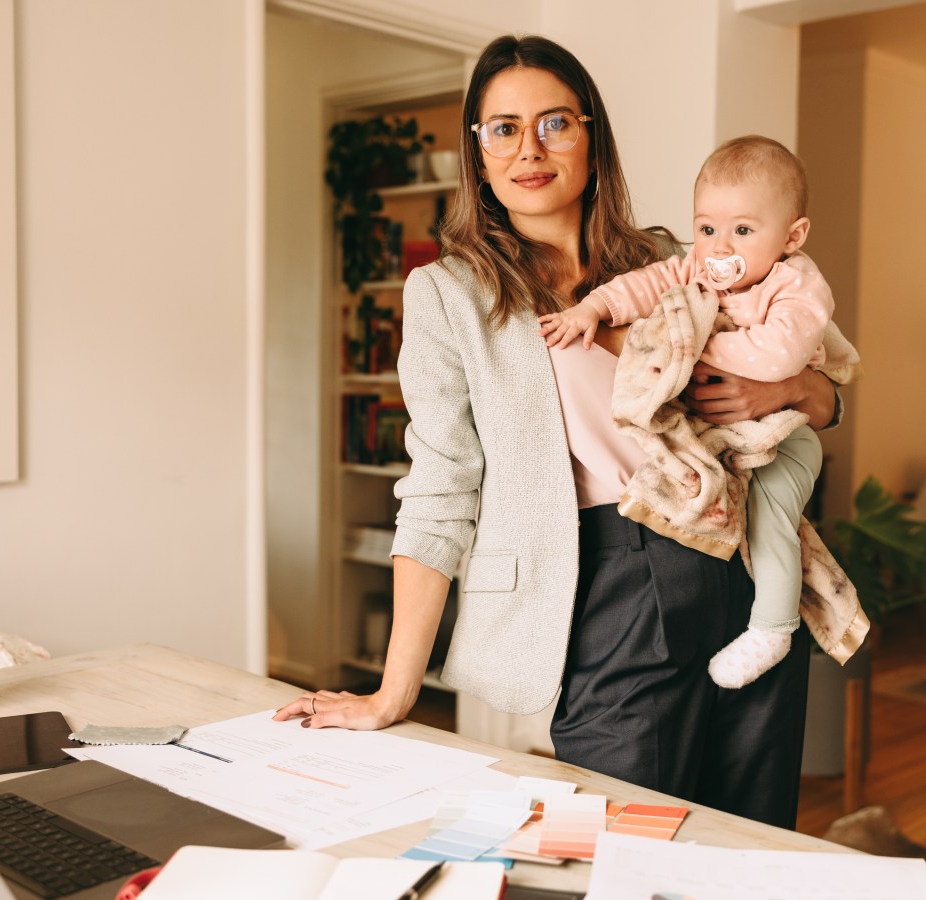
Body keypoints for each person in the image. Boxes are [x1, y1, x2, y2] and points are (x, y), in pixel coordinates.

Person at [274, 33, 843, 829]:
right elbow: (439, 489)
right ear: (476, 152)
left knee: (750, 839)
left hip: (744, 567)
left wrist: (794, 388)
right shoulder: (448, 296)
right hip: (611, 581)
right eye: (502, 127)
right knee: (623, 844)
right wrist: (394, 691)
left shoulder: (671, 261)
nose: (528, 148)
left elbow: (818, 380)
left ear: (590, 137)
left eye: (554, 123)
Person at [536, 136, 860, 690]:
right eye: (707, 228)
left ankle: (774, 628)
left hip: (786, 442)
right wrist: (595, 307)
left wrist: (686, 347)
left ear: (792, 236)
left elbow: (778, 357)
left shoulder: (797, 285)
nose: (717, 246)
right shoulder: (696, 269)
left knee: (771, 519)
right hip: (706, 465)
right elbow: (648, 284)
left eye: (742, 230)